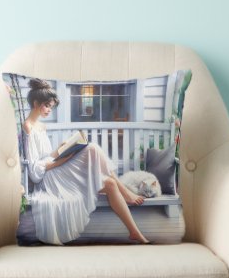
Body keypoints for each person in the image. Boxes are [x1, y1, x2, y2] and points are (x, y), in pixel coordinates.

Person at [22, 78, 151, 245]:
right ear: (35, 103)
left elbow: (46, 156)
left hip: (54, 168)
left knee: (110, 183)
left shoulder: (41, 126)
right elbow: (34, 171)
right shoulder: (28, 127)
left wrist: (60, 150)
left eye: (51, 107)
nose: (49, 110)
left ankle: (134, 232)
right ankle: (126, 192)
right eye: (47, 106)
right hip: (49, 178)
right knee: (92, 148)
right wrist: (63, 160)